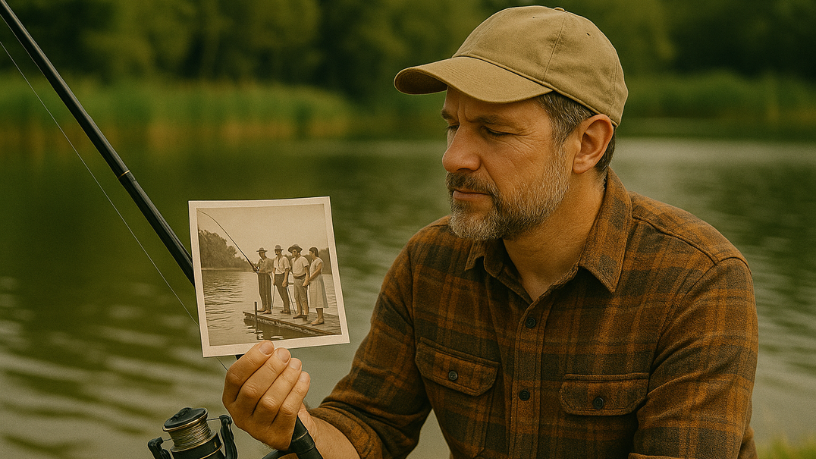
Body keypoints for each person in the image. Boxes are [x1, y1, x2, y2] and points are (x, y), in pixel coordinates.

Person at [222, 6, 758, 459]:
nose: (452, 157)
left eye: (494, 131)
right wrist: (298, 427)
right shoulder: (427, 262)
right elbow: (367, 428)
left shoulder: (700, 281)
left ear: (589, 143)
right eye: (453, 124)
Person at [304, 246, 329, 326]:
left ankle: (320, 318)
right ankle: (319, 317)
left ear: (314, 252)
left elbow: (318, 271)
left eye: (310, 253)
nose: (310, 254)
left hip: (317, 281)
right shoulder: (313, 261)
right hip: (313, 282)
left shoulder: (319, 260)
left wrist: (309, 279)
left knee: (319, 299)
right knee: (315, 299)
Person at [289, 244, 310, 321]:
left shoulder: (303, 259)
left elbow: (307, 271)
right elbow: (291, 269)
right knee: (296, 296)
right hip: (295, 279)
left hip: (302, 279)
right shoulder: (292, 260)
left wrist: (306, 281)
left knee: (303, 297)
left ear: (298, 252)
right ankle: (299, 312)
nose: (293, 253)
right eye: (292, 252)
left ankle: (306, 313)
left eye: (294, 251)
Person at [272, 245, 292, 314]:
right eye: (276, 251)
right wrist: (274, 280)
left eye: (278, 251)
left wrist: (285, 280)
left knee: (284, 293)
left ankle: (287, 308)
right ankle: (285, 308)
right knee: (280, 293)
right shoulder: (275, 259)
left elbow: (287, 269)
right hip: (277, 276)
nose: (277, 252)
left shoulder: (284, 259)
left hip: (282, 276)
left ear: (281, 251)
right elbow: (274, 270)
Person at [254, 247, 274, 314]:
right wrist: (255, 268)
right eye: (259, 253)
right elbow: (257, 268)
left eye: (262, 253)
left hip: (266, 276)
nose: (261, 254)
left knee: (267, 292)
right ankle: (264, 306)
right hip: (260, 277)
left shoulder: (269, 260)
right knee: (261, 291)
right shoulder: (260, 261)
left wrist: (263, 270)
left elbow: (271, 269)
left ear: (264, 253)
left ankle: (269, 308)